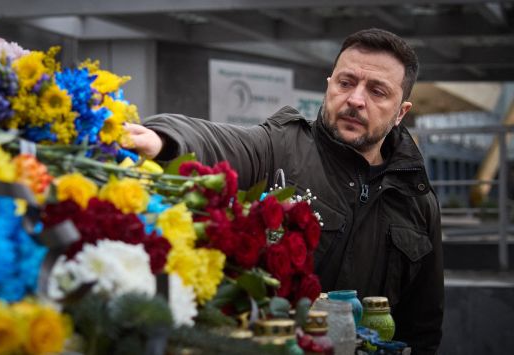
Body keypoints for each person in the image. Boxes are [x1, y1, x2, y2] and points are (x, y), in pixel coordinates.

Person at [125, 28, 443, 354]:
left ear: (401, 112)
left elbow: (422, 328)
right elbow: (217, 141)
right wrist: (161, 139)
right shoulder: (279, 149)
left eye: (377, 91)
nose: (355, 100)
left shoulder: (418, 202)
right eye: (346, 83)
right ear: (329, 85)